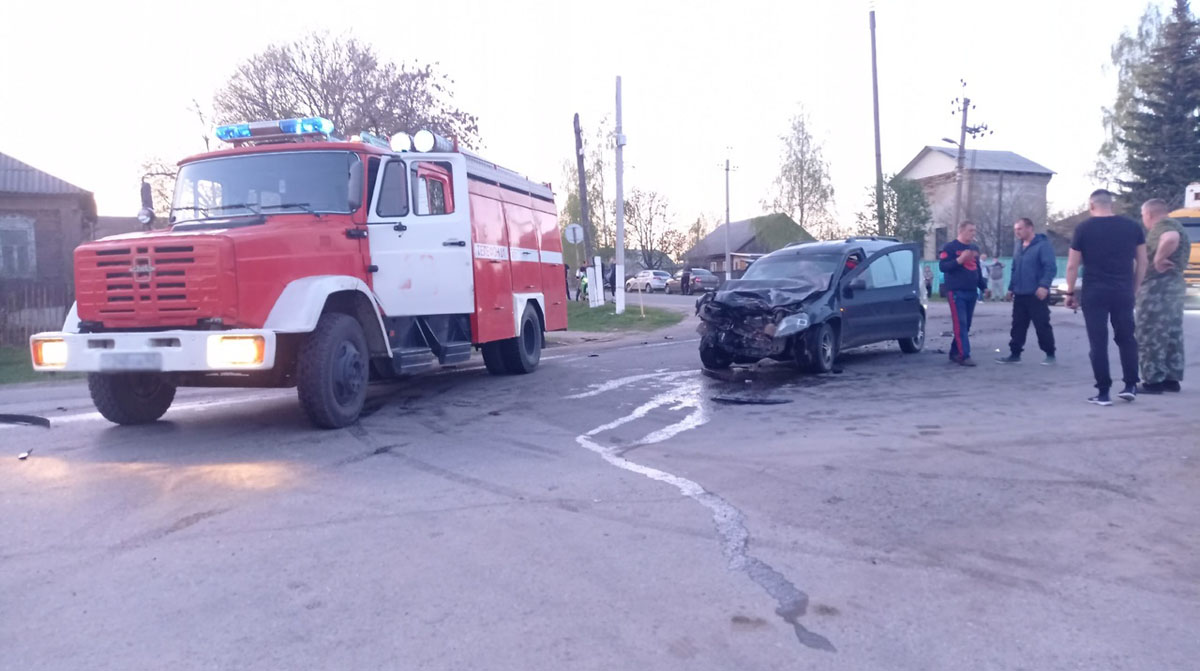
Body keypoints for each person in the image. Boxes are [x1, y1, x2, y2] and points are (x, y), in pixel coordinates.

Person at [1064, 189, 1147, 406]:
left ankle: (1103, 393)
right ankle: (1130, 385)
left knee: (1098, 342)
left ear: (1091, 206)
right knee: (1127, 338)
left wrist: (1070, 292)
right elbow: (1143, 262)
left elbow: (1072, 265)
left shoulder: (1083, 228)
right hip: (1123, 291)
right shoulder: (1132, 227)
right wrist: (1134, 288)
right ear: (1111, 205)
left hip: (1094, 292)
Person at [1135, 198, 1190, 393]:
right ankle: (1171, 379)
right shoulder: (1177, 224)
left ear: (1148, 214)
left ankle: (1153, 381)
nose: (1144, 220)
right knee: (1171, 334)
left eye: (1143, 216)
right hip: (1173, 287)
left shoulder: (1164, 225)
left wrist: (1158, 258)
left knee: (1150, 332)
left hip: (1158, 289)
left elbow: (1170, 238)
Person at [997, 218, 1056, 365]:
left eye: (1020, 229)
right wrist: (1011, 288)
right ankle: (1015, 354)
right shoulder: (1018, 246)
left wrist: (1044, 286)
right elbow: (1015, 269)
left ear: (1030, 228)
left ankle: (1050, 354)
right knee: (1018, 325)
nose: (1017, 232)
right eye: (1015, 229)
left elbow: (1050, 267)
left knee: (1042, 325)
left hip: (1036, 294)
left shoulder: (1043, 246)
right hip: (1020, 294)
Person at [939, 220, 990, 366]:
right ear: (961, 231)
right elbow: (943, 267)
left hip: (971, 291)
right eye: (970, 230)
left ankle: (954, 352)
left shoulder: (974, 248)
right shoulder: (950, 247)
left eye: (974, 230)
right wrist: (960, 260)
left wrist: (984, 287)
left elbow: (977, 270)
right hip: (956, 292)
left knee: (966, 325)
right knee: (960, 324)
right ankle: (964, 355)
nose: (973, 233)